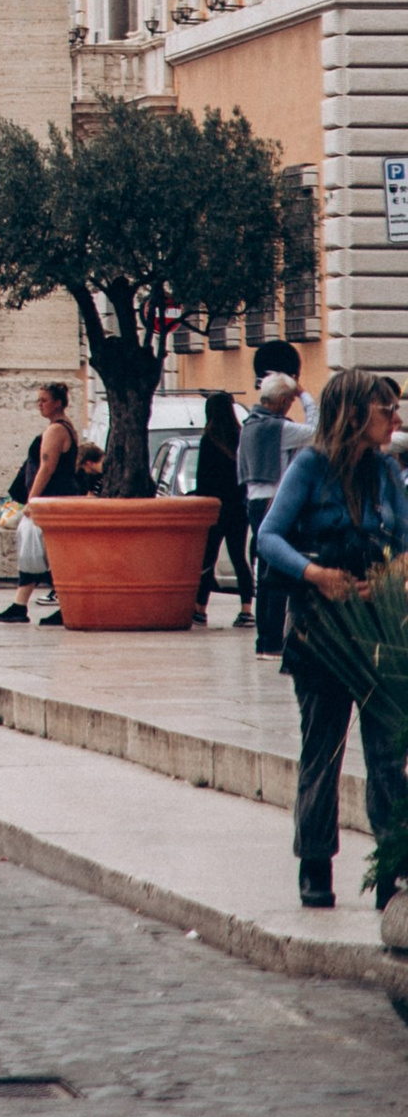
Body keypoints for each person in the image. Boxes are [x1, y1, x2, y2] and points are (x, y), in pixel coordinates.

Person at [259, 364, 408, 911]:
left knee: (388, 755)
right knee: (323, 749)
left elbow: (407, 541)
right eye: (386, 409)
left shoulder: (387, 471)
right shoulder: (310, 465)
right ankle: (315, 864)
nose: (395, 418)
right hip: (319, 629)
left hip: (378, 630)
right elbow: (268, 536)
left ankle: (391, 870)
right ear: (353, 413)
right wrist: (315, 574)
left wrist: (390, 578)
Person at [241, 348, 311, 658]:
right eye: (290, 400)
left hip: (254, 503)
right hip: (275, 503)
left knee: (265, 575)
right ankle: (272, 642)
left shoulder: (249, 424)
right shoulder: (279, 428)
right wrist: (305, 395)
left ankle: (264, 641)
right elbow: (317, 430)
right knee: (279, 572)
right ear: (282, 400)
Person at [0, 383, 82, 627]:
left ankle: (64, 606)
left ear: (58, 402)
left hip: (50, 500)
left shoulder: (56, 430)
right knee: (39, 553)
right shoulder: (63, 427)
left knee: (47, 554)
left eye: (44, 400)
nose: (40, 405)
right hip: (55, 499)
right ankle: (20, 605)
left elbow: (47, 467)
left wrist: (32, 500)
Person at [188, 388, 252, 625]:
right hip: (238, 508)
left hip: (215, 509)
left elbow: (203, 479)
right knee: (239, 558)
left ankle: (200, 608)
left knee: (208, 558)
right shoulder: (241, 437)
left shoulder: (209, 440)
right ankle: (246, 610)